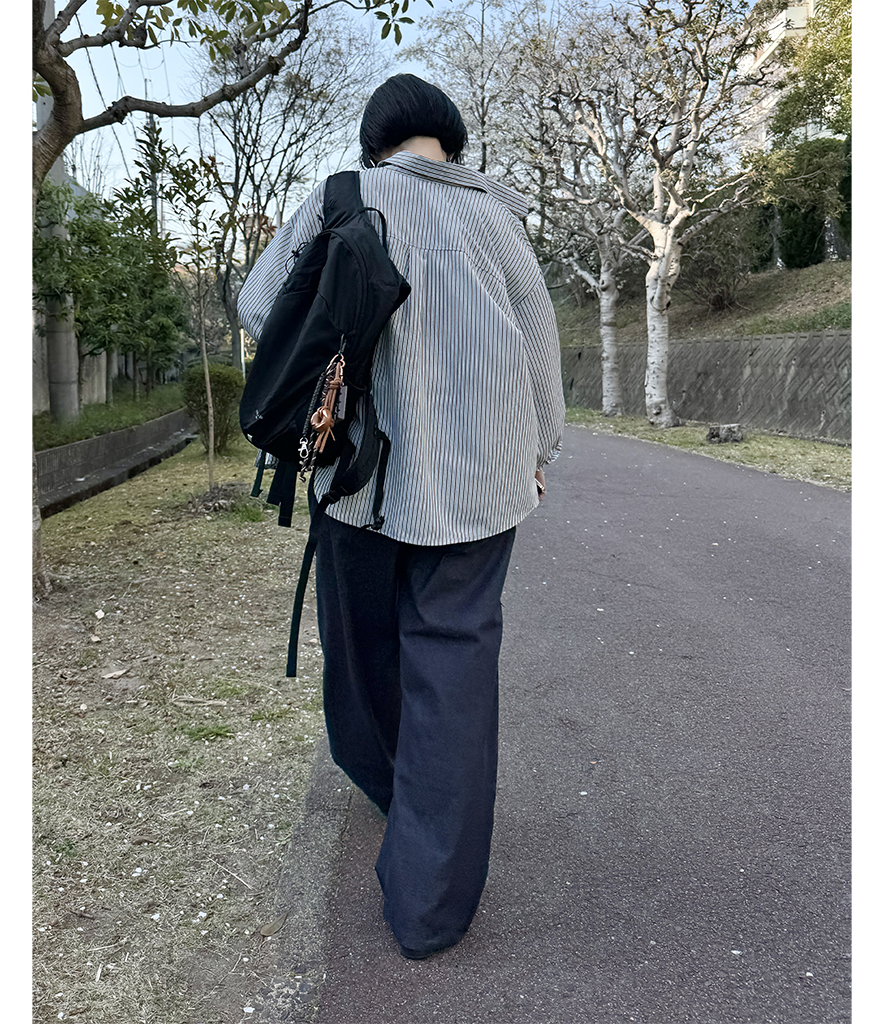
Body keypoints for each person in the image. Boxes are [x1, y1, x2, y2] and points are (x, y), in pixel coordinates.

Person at [237, 74, 564, 960]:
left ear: (373, 137)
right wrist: (540, 451)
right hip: (485, 484)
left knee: (363, 651)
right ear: (450, 138)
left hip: (361, 479)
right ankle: (430, 907)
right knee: (455, 667)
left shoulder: (341, 196)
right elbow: (538, 343)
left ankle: (392, 789)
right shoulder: (498, 214)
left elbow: (261, 305)